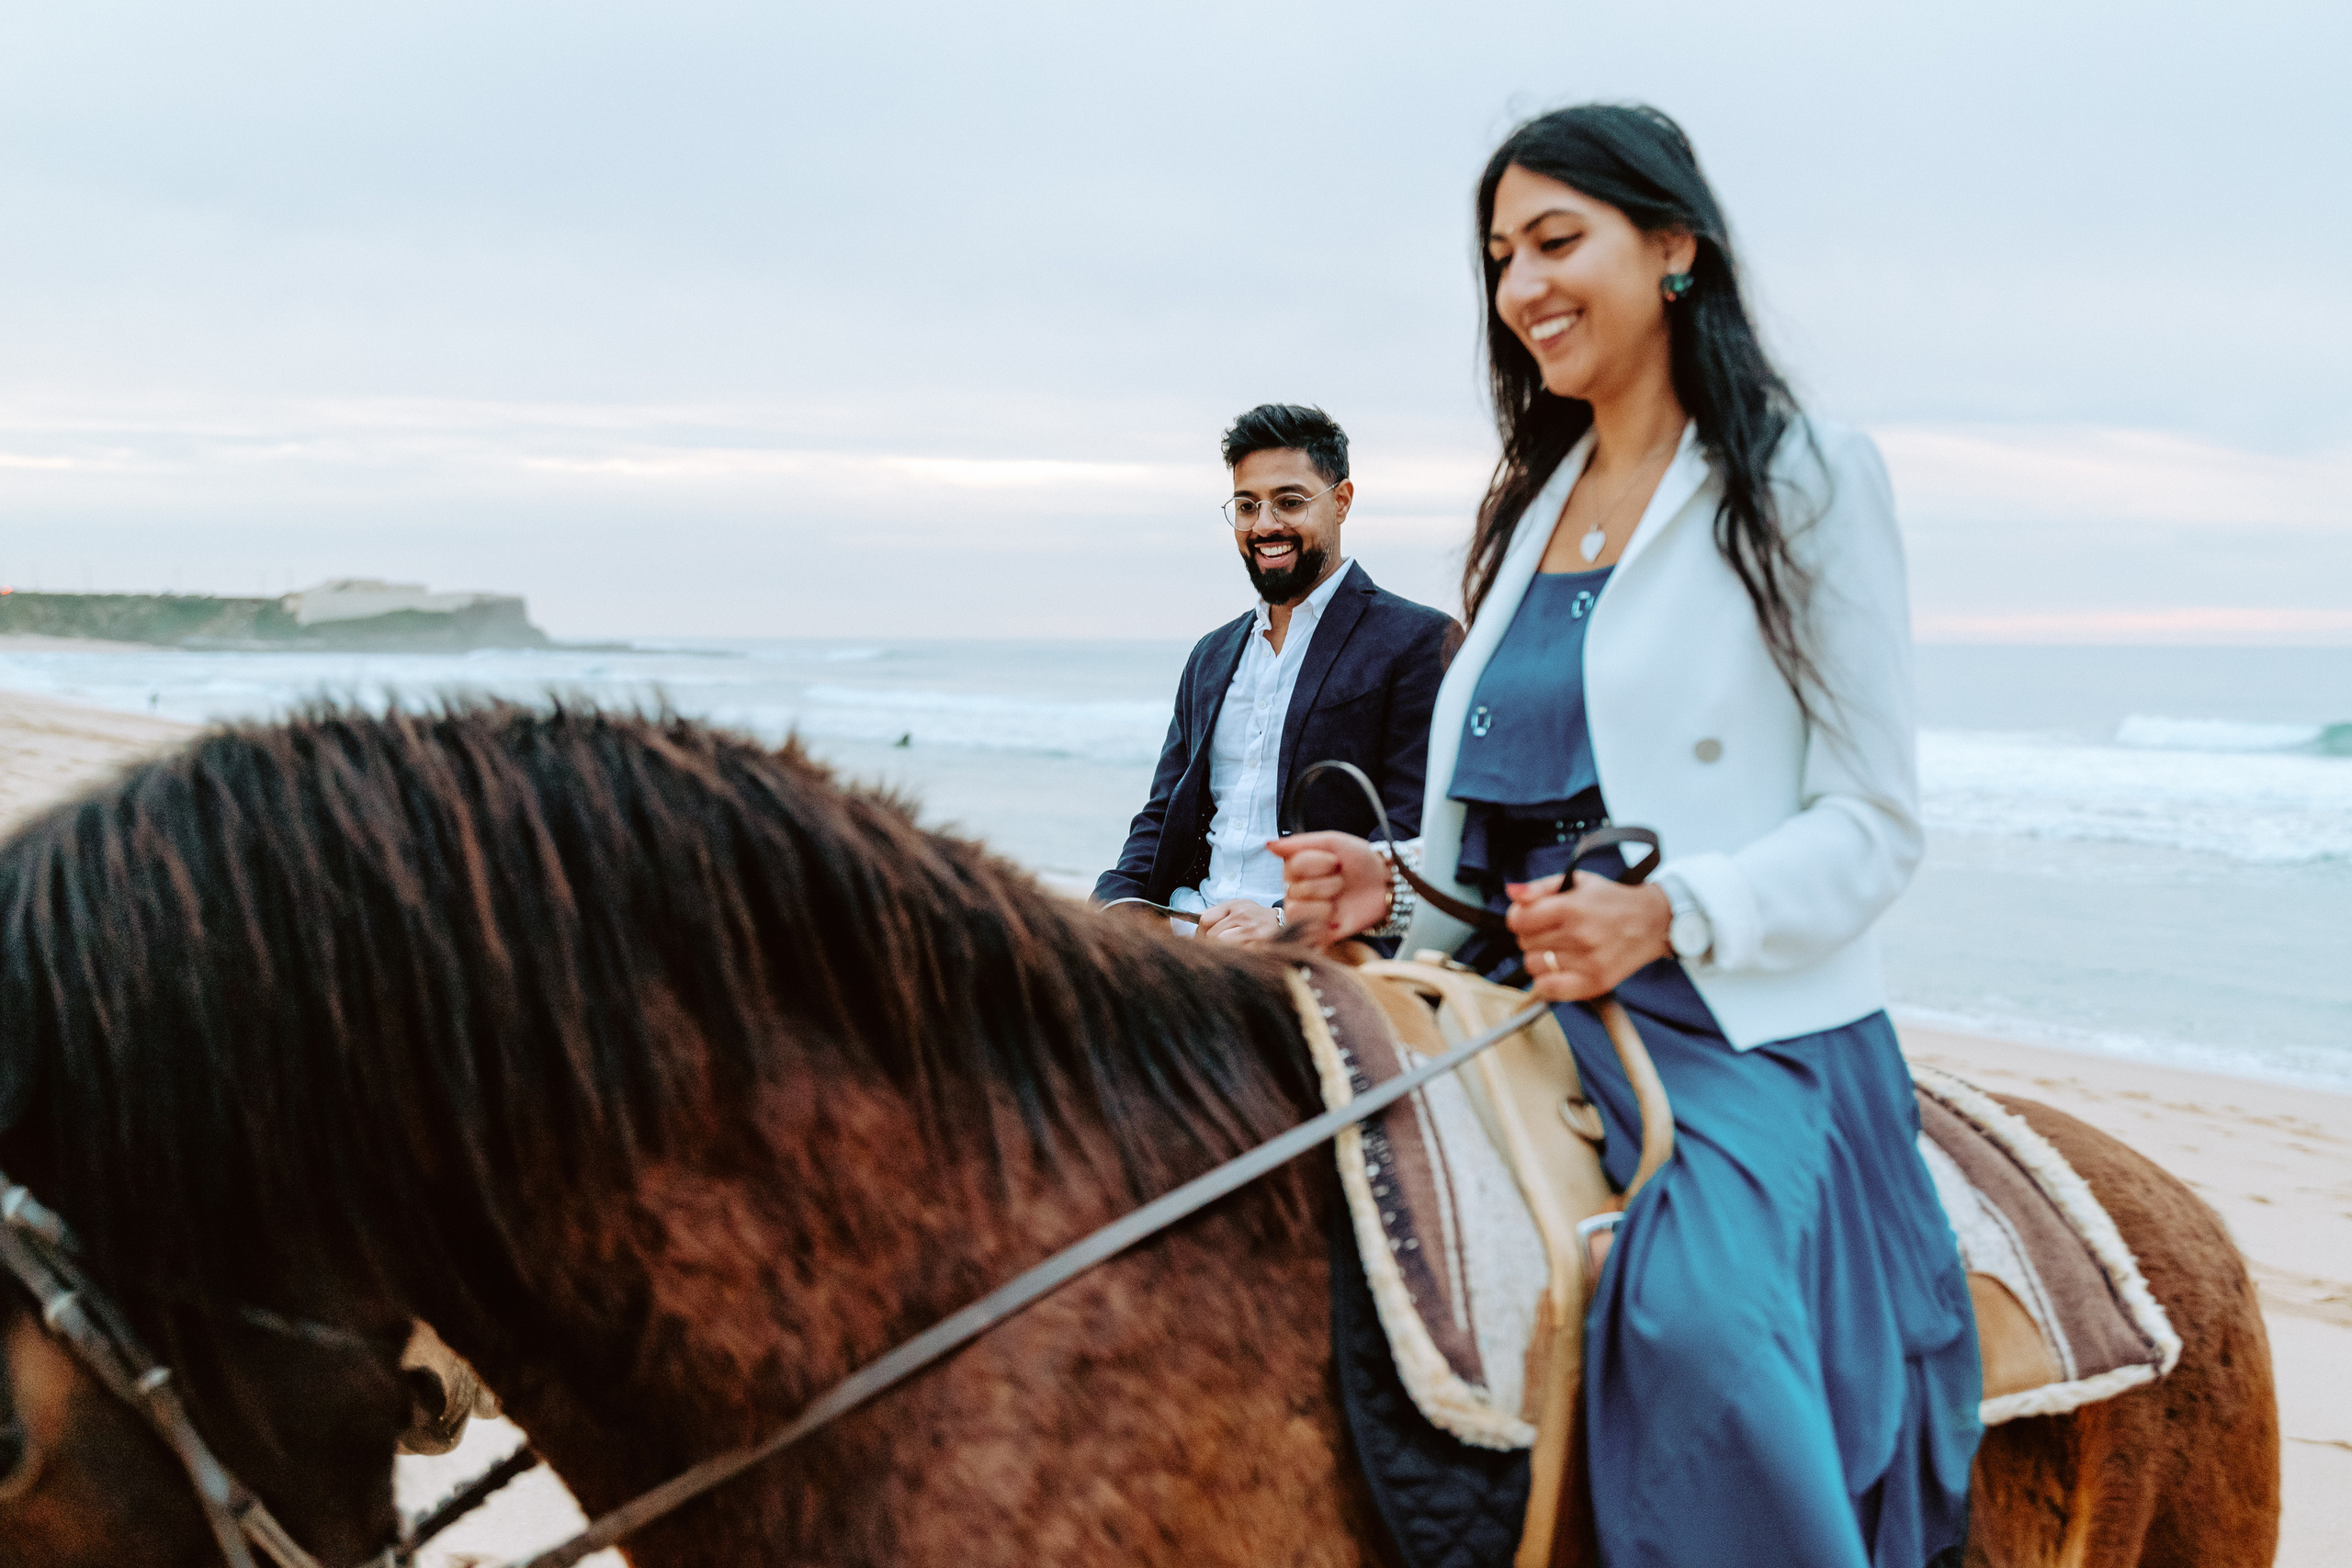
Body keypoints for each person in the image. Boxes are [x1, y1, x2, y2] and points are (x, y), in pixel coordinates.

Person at [1271, 106, 1980, 1567]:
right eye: (1499, 257)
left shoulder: (1806, 476)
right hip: (1506, 982)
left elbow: (1875, 821)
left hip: (1729, 1018)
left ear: (1672, 247)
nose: (1521, 285)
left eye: (1555, 240)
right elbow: (1511, 813)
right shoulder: (1529, 503)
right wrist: (1388, 881)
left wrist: (1668, 914)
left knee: (1699, 1326)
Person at [1094, 403, 1455, 942]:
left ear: (1341, 501)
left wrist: (1288, 921)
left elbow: (1412, 831)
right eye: (1247, 506)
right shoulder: (1211, 655)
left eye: (1289, 502)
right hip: (1187, 932)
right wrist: (1116, 907)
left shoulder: (1418, 641)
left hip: (1316, 944)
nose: (1265, 525)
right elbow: (1163, 815)